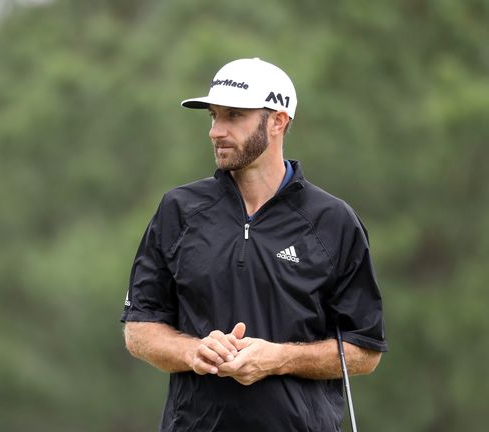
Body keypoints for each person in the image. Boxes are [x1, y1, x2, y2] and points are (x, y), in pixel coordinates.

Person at [120, 58, 387, 431]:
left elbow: (364, 351)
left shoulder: (334, 221)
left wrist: (279, 358)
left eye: (233, 116)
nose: (216, 130)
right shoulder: (178, 210)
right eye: (213, 116)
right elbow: (140, 329)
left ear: (278, 121)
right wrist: (193, 351)